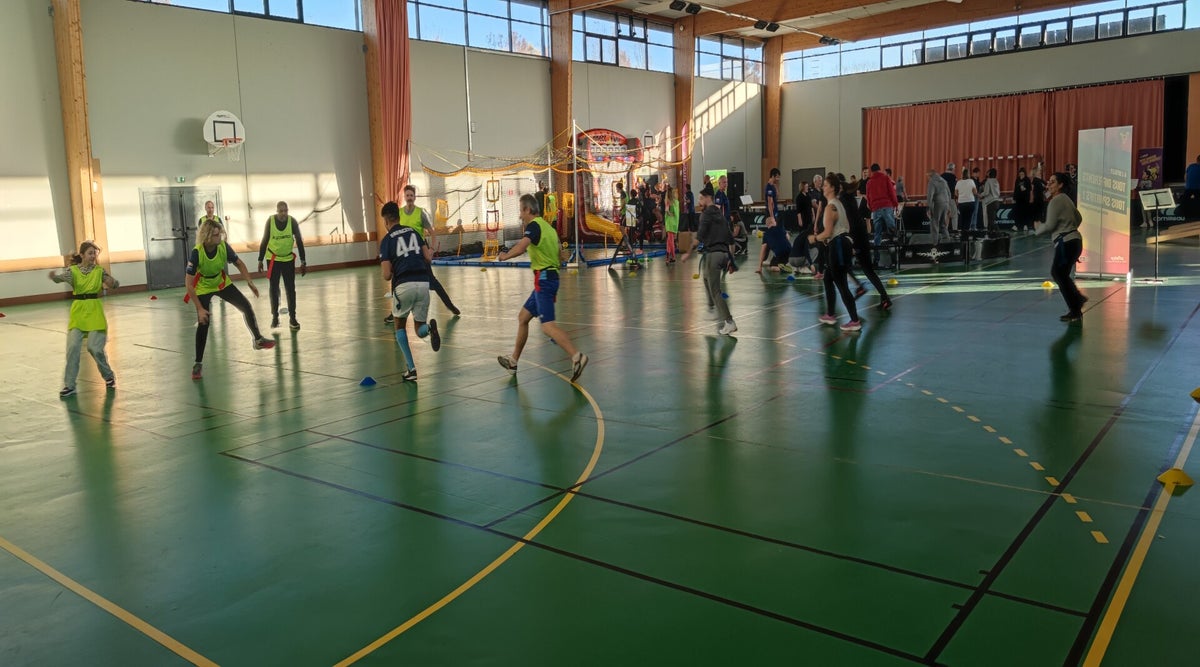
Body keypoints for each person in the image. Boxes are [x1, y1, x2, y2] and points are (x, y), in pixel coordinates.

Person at [496, 194, 588, 382]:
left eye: (521, 211)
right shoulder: (549, 228)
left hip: (544, 280)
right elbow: (560, 255)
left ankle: (577, 356)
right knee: (523, 317)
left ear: (528, 210)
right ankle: (513, 361)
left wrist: (505, 256)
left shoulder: (534, 226)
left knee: (547, 326)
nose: (520, 215)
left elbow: (521, 248)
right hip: (549, 277)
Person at [186, 218, 275, 381]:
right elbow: (189, 284)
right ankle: (198, 363)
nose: (219, 237)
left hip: (221, 282)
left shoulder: (223, 247)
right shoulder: (197, 253)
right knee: (204, 322)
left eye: (219, 234)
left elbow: (239, 263)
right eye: (215, 235)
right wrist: (199, 308)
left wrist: (249, 281)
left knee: (245, 306)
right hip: (203, 286)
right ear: (207, 237)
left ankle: (258, 339)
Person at [379, 201, 440, 382]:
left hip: (404, 284)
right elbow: (428, 257)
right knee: (419, 329)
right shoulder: (414, 232)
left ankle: (411, 369)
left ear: (386, 221)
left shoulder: (387, 241)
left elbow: (386, 275)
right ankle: (429, 329)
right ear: (398, 217)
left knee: (399, 326)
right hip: (423, 283)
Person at [49, 241, 119, 397]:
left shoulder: (99, 271)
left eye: (95, 253)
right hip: (78, 312)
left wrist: (112, 283)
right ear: (82, 255)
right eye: (90, 253)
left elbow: (115, 284)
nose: (93, 256)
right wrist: (54, 277)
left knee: (94, 348)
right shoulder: (73, 271)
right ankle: (69, 385)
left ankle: (108, 376)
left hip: (94, 311)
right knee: (73, 348)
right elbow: (60, 278)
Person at [384, 184, 460, 325]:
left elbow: (432, 232)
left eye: (411, 195)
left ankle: (450, 306)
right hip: (403, 252)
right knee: (396, 281)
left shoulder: (420, 213)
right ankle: (394, 312)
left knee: (433, 282)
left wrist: (431, 249)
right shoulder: (399, 214)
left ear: (414, 197)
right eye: (407, 195)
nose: (409, 198)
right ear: (404, 197)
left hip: (419, 251)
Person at [681, 184, 737, 335]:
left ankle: (729, 322)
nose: (699, 201)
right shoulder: (720, 215)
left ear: (708, 198)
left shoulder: (705, 215)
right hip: (723, 254)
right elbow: (731, 239)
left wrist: (688, 253)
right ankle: (711, 307)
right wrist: (731, 259)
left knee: (716, 291)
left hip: (714, 255)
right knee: (706, 277)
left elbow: (699, 237)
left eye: (701, 198)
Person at [1035, 172, 1086, 322]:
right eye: (1048, 181)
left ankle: (1076, 304)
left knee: (1058, 273)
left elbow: (1050, 225)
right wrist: (1069, 225)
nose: (1048, 184)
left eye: (1052, 182)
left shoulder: (1055, 201)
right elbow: (1079, 218)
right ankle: (1077, 304)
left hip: (1066, 243)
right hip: (1075, 241)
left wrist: (1038, 228)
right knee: (1061, 274)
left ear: (1060, 185)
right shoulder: (1066, 199)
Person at [814, 173, 861, 331]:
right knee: (828, 278)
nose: (823, 188)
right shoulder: (838, 204)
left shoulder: (830, 207)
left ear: (832, 188)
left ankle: (854, 320)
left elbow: (827, 232)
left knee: (841, 284)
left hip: (838, 246)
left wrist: (815, 238)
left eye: (825, 185)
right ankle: (830, 314)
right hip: (841, 243)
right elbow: (844, 226)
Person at [256, 201, 307, 331]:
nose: (284, 213)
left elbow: (299, 241)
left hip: (288, 260)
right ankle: (275, 317)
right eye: (281, 211)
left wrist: (303, 261)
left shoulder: (292, 222)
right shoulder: (270, 221)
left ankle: (293, 318)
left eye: (286, 211)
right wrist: (260, 259)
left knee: (290, 289)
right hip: (273, 259)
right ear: (277, 211)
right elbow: (264, 240)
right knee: (274, 288)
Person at [865, 163, 897, 249]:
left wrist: (871, 207)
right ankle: (895, 249)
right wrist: (895, 204)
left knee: (877, 232)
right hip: (887, 206)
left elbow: (868, 197)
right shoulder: (886, 178)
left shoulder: (869, 182)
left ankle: (876, 253)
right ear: (879, 170)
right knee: (892, 229)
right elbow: (892, 192)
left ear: (871, 172)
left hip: (876, 208)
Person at [926, 169, 952, 249]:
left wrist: (928, 208)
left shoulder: (932, 182)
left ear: (930, 175)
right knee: (943, 224)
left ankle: (935, 245)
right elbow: (949, 194)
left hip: (937, 204)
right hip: (946, 203)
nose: (927, 178)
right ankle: (947, 243)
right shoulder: (944, 181)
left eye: (927, 176)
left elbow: (930, 196)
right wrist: (949, 205)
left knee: (934, 224)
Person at [979, 168, 1002, 234]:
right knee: (992, 219)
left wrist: (980, 195)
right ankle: (990, 232)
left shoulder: (988, 181)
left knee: (990, 220)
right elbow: (998, 192)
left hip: (991, 202)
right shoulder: (996, 181)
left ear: (990, 174)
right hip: (997, 201)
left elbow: (986, 192)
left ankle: (998, 232)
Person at [1012, 167, 1033, 233]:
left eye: (1022, 174)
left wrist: (1025, 189)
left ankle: (1025, 225)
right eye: (1020, 174)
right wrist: (1014, 198)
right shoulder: (1017, 179)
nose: (1021, 175)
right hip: (1018, 199)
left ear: (1025, 174)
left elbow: (1030, 189)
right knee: (1017, 212)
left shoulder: (1027, 180)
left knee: (1025, 212)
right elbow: (1015, 189)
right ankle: (1016, 225)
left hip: (1025, 199)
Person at [663, 184, 680, 264]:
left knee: (670, 241)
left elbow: (667, 211)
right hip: (675, 222)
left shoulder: (668, 202)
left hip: (669, 222)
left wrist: (669, 214)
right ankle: (671, 257)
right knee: (670, 240)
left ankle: (670, 256)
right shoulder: (676, 202)